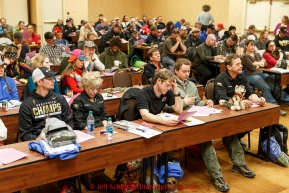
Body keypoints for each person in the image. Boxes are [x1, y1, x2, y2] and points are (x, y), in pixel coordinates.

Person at [161, 58, 232, 192]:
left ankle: (217, 176)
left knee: (206, 138)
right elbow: (164, 107)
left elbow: (197, 101)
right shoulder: (169, 85)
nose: (187, 74)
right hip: (176, 120)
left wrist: (206, 103)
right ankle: (166, 175)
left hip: (194, 118)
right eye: (184, 71)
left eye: (188, 71)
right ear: (176, 71)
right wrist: (184, 102)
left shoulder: (192, 85)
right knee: (198, 139)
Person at [18, 66, 75, 192]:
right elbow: (25, 134)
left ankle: (66, 184)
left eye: (53, 77)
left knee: (73, 154)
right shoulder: (27, 105)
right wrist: (40, 139)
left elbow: (70, 121)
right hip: (41, 143)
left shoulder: (59, 99)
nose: (53, 80)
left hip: (61, 139)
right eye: (49, 78)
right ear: (39, 82)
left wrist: (66, 133)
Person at [241, 40, 289, 116]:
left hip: (262, 73)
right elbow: (253, 68)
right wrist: (259, 63)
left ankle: (288, 99)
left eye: (254, 45)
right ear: (246, 46)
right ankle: (274, 108)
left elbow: (265, 64)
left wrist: (257, 63)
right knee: (266, 88)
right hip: (251, 75)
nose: (253, 47)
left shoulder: (256, 54)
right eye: (251, 45)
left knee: (275, 86)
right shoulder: (244, 57)